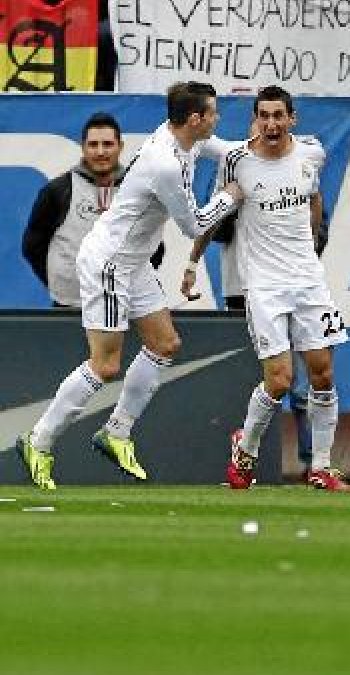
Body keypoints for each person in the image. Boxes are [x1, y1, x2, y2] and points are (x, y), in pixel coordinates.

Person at [14, 81, 244, 490]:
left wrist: (252, 149)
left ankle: (116, 431)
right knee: (104, 365)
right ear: (195, 119)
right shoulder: (165, 164)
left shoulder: (181, 136)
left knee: (164, 344)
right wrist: (229, 196)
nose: (217, 118)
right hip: (108, 263)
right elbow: (194, 225)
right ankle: (39, 439)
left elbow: (217, 146)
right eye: (213, 113)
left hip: (133, 263)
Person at [182, 85, 349, 491]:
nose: (272, 124)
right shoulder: (237, 160)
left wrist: (313, 242)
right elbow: (214, 213)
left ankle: (322, 467)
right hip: (263, 285)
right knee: (279, 380)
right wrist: (190, 262)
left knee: (323, 373)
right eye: (264, 116)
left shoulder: (312, 152)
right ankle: (246, 449)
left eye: (279, 116)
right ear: (255, 119)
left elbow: (313, 197)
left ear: (292, 119)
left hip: (307, 280)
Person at [21, 113, 164, 307]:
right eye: (93, 144)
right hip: (70, 305)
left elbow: (154, 246)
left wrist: (132, 284)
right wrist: (58, 283)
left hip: (122, 303)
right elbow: (33, 246)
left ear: (120, 147)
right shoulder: (57, 190)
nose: (100, 152)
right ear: (83, 147)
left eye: (107, 144)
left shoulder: (136, 191)